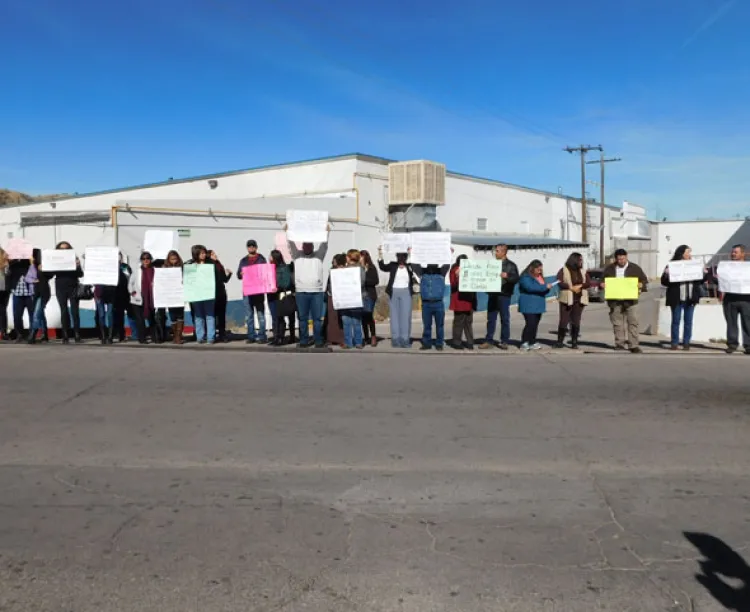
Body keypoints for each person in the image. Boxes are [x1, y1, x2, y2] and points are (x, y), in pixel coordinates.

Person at [287, 226, 330, 349]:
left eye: (310, 245)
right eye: (305, 245)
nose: (307, 247)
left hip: (316, 292)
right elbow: (291, 245)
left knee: (317, 319)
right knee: (302, 318)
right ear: (302, 246)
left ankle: (318, 340)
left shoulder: (319, 256)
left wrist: (327, 231)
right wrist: (288, 231)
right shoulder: (297, 256)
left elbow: (324, 245)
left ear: (312, 246)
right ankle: (304, 341)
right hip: (301, 292)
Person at [602, 248, 649, 353]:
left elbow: (644, 280)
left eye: (623, 259)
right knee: (617, 323)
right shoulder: (609, 269)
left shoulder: (635, 268)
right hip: (615, 300)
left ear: (626, 257)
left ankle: (634, 345)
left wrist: (641, 284)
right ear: (616, 259)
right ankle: (619, 344)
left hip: (631, 300)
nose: (621, 261)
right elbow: (602, 281)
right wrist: (602, 285)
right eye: (619, 259)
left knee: (633, 322)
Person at [661, 244, 705, 351]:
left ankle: (686, 343)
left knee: (688, 321)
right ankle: (674, 342)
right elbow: (664, 282)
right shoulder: (672, 265)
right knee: (676, 321)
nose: (690, 255)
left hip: (690, 298)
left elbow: (700, 280)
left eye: (690, 252)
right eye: (688, 252)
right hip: (677, 298)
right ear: (681, 254)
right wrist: (667, 275)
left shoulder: (694, 265)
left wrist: (703, 274)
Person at [480, 244, 519, 350]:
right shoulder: (492, 264)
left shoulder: (511, 265)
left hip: (504, 295)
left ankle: (504, 341)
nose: (495, 253)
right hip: (493, 294)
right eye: (495, 251)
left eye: (497, 251)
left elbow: (516, 278)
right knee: (491, 319)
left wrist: (507, 276)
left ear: (503, 252)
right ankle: (489, 340)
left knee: (504, 319)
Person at [378, 248, 415, 348]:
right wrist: (380, 254)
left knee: (405, 316)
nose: (401, 260)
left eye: (404, 257)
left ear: (406, 258)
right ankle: (395, 339)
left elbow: (418, 267)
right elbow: (382, 267)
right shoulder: (393, 265)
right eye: (399, 257)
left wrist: (412, 253)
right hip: (394, 292)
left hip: (406, 292)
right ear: (397, 257)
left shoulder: (410, 266)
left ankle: (405, 339)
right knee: (394, 317)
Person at [555, 252, 591, 349]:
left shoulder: (583, 271)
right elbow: (559, 282)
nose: (581, 262)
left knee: (576, 320)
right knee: (564, 320)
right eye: (580, 260)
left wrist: (580, 285)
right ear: (574, 260)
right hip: (566, 298)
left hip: (579, 299)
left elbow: (588, 283)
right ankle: (559, 341)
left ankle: (574, 342)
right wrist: (570, 287)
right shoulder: (564, 270)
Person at [719, 244, 750, 354]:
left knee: (747, 322)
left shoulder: (748, 267)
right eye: (732, 252)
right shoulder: (726, 267)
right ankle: (732, 344)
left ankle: (748, 345)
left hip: (747, 299)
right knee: (731, 322)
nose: (733, 254)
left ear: (743, 254)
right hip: (730, 298)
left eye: (736, 252)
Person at [51, 241, 84, 344]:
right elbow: (50, 273)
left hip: (73, 286)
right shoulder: (55, 259)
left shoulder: (74, 258)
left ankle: (77, 334)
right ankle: (65, 335)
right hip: (60, 287)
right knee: (64, 311)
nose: (64, 251)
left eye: (66, 248)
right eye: (61, 249)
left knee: (75, 311)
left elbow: (80, 274)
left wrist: (77, 266)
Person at [413, 261, 449, 351]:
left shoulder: (441, 272)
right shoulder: (422, 273)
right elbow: (414, 265)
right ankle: (426, 343)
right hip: (426, 304)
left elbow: (447, 263)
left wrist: (449, 254)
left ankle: (439, 343)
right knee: (427, 325)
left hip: (438, 303)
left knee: (440, 325)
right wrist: (411, 255)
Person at [236, 239, 268, 344]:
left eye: (253, 246)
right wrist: (240, 274)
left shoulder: (261, 259)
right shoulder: (243, 260)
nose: (251, 248)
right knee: (249, 316)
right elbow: (238, 275)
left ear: (256, 247)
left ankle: (262, 336)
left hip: (258, 292)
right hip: (247, 292)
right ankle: (251, 336)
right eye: (249, 246)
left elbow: (266, 273)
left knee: (260, 315)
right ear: (247, 248)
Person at [518, 259, 553, 351]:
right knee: (530, 323)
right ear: (532, 268)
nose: (540, 271)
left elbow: (542, 289)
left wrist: (547, 288)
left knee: (535, 324)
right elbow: (530, 288)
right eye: (538, 269)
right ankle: (524, 342)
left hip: (538, 304)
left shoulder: (540, 277)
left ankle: (532, 341)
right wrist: (544, 287)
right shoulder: (525, 277)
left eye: (541, 270)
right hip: (528, 304)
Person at [129, 251, 162, 344]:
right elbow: (130, 284)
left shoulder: (155, 270)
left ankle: (155, 337)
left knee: (152, 318)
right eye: (143, 259)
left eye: (148, 258)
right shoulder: (137, 271)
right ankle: (142, 338)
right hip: (138, 298)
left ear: (150, 260)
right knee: (140, 320)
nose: (146, 260)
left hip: (151, 298)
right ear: (141, 260)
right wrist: (133, 293)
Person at [188, 245, 216, 345]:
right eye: (202, 253)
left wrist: (216, 262)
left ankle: (211, 337)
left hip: (208, 292)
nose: (204, 255)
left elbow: (218, 275)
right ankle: (200, 337)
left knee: (210, 315)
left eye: (204, 253)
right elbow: (187, 279)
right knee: (198, 315)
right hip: (196, 294)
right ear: (196, 254)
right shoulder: (189, 264)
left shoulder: (210, 263)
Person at [339, 249, 366, 349]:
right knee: (354, 321)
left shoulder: (359, 269)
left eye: (347, 256)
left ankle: (353, 342)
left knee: (349, 321)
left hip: (353, 297)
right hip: (350, 297)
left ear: (350, 257)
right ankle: (355, 342)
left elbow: (362, 282)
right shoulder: (359, 269)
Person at [449, 254, 476, 350]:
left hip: (469, 300)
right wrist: (457, 277)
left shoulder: (471, 269)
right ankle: (457, 342)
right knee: (458, 322)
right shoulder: (454, 270)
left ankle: (470, 342)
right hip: (459, 300)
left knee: (468, 322)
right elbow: (453, 286)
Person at [268, 249, 294, 346]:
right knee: (274, 317)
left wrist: (277, 286)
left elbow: (286, 282)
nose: (269, 258)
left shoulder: (283, 268)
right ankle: (275, 337)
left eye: (270, 256)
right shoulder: (269, 268)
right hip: (271, 295)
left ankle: (280, 337)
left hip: (279, 295)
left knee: (279, 317)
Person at [27, 249, 50, 344]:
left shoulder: (44, 266)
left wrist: (43, 270)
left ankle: (33, 333)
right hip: (34, 293)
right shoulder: (31, 266)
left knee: (36, 313)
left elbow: (49, 276)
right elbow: (28, 278)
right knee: (40, 314)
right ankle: (45, 335)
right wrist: (32, 264)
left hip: (43, 292)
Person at [8, 256, 33, 343]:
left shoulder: (31, 262)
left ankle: (31, 334)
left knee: (32, 315)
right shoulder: (12, 263)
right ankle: (19, 334)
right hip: (17, 292)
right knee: (17, 315)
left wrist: (31, 261)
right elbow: (8, 275)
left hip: (30, 293)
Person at [163, 250, 186, 345]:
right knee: (172, 316)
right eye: (172, 259)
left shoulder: (182, 268)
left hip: (179, 294)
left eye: (175, 259)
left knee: (180, 315)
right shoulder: (164, 268)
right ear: (168, 259)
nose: (174, 261)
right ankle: (175, 336)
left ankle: (178, 337)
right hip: (170, 295)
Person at [209, 250, 232, 342]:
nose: (215, 255)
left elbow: (224, 279)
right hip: (212, 293)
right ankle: (212, 335)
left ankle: (222, 334)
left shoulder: (219, 264)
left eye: (215, 253)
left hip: (221, 293)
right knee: (212, 315)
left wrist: (229, 274)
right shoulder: (208, 265)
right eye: (212, 254)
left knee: (221, 315)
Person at [324, 254, 346, 347]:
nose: (333, 262)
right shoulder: (332, 271)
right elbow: (328, 283)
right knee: (331, 318)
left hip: (341, 296)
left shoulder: (345, 270)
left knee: (340, 317)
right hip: (331, 295)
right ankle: (330, 338)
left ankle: (341, 338)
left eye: (334, 260)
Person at [113, 253, 134, 342]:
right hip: (116, 294)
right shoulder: (109, 268)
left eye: (119, 257)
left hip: (127, 293)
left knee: (132, 314)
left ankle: (135, 333)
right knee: (118, 315)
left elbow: (131, 277)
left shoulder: (125, 267)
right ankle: (120, 334)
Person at [360, 250, 379, 347]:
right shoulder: (358, 268)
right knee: (363, 316)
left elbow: (376, 281)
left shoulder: (372, 267)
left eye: (362, 257)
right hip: (360, 295)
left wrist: (364, 280)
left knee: (368, 314)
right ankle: (366, 337)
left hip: (370, 295)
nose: (360, 259)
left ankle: (373, 336)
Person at [0, 247, 8, 341]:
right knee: (2, 311)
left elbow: (8, 273)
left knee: (2, 311)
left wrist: (6, 263)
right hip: (2, 288)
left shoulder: (6, 262)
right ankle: (4, 332)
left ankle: (3, 332)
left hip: (2, 288)